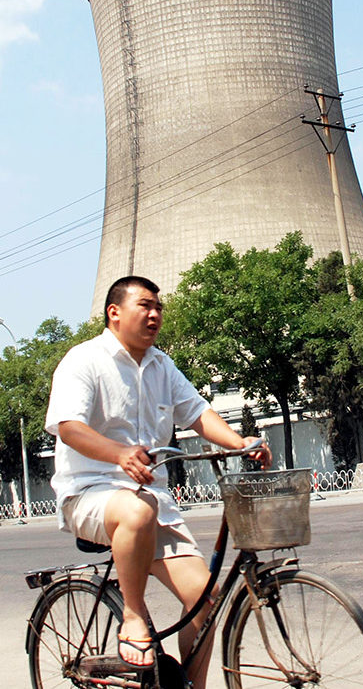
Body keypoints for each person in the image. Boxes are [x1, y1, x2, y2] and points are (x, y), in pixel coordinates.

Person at [45, 275, 270, 684]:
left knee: (205, 601)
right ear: (114, 313)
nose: (154, 315)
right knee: (136, 510)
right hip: (91, 494)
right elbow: (69, 427)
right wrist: (118, 453)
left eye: (158, 308)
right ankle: (132, 618)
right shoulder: (83, 360)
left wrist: (241, 442)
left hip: (153, 503)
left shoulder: (161, 365)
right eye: (144, 306)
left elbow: (197, 413)